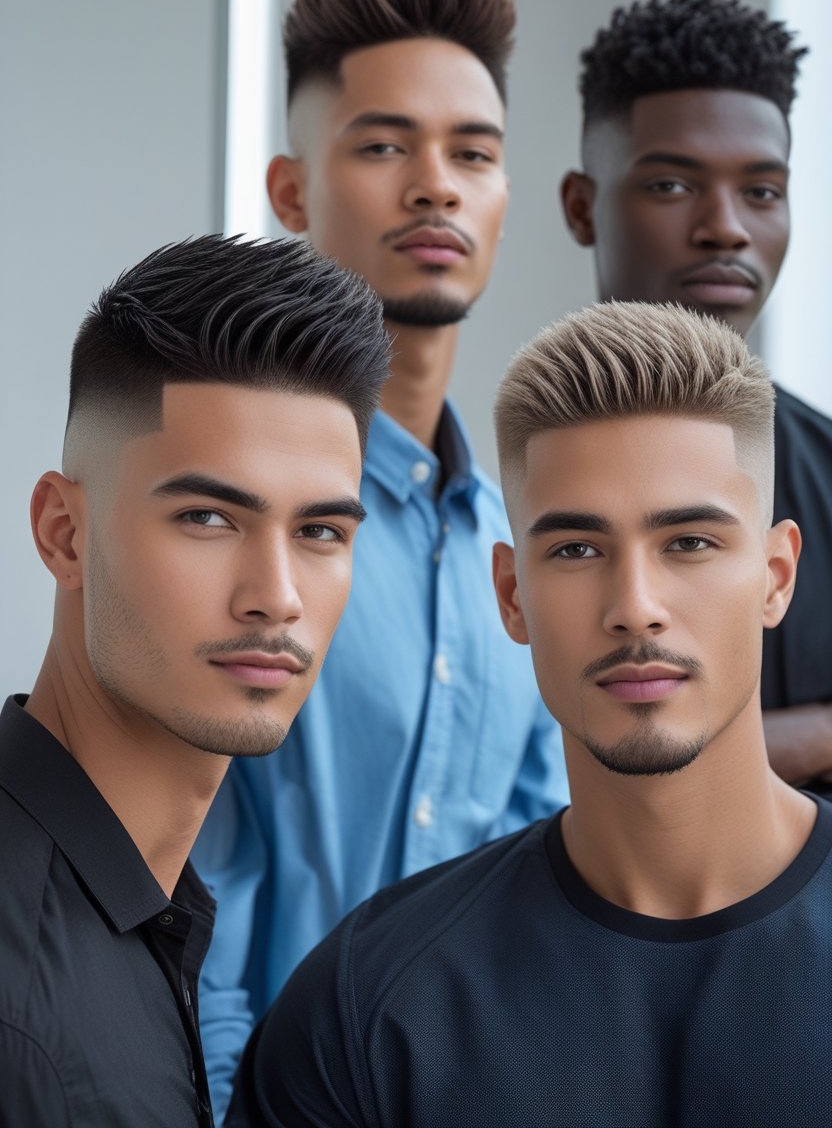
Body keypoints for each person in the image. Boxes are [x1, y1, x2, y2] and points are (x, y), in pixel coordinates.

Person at [226, 299, 832, 1128]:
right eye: (578, 550)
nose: (635, 607)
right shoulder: (368, 1003)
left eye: (689, 542)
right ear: (511, 594)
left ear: (775, 576)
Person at [193, 0, 568, 1116]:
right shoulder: (227, 526)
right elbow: (182, 891)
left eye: (473, 153)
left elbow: (546, 879)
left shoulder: (534, 548)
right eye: (383, 144)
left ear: (505, 197)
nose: (434, 185)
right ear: (291, 190)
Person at [0, 234, 388, 1127]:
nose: (277, 598)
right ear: (64, 534)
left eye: (321, 532)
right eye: (208, 516)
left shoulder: (147, 914)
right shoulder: (24, 1011)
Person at [559, 0, 832, 792]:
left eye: (762, 192)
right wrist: (813, 735)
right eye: (674, 186)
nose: (727, 228)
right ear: (583, 207)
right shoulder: (493, 491)